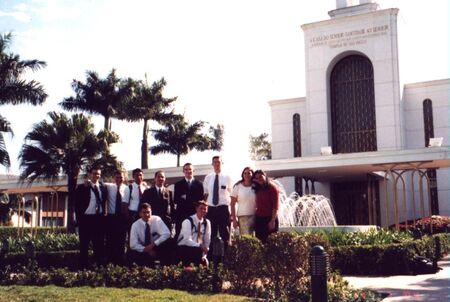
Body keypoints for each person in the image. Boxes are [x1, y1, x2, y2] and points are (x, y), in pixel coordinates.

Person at [75, 166, 107, 268]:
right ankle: (83, 268)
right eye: (94, 173)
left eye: (98, 174)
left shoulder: (103, 187)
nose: (96, 176)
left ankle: (98, 267)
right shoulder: (82, 187)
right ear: (90, 174)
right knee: (84, 245)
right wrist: (79, 220)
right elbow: (77, 205)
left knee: (99, 245)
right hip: (86, 220)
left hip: (99, 219)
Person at [203, 155, 233, 251]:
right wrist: (204, 211)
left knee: (225, 234)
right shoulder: (208, 177)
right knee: (211, 234)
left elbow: (232, 195)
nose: (216, 163)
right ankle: (211, 258)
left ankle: (227, 257)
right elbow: (205, 195)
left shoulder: (227, 177)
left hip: (223, 209)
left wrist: (232, 213)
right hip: (211, 209)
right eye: (215, 162)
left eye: (218, 162)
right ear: (212, 164)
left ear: (221, 163)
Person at [104, 170, 130, 265]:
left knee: (121, 241)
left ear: (124, 178)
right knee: (110, 241)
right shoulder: (109, 187)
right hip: (111, 218)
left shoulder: (127, 188)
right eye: (117, 177)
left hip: (122, 218)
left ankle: (120, 263)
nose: (119, 179)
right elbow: (98, 183)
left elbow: (126, 203)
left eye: (121, 177)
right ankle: (109, 263)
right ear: (114, 178)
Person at [173, 163, 204, 239]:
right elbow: (176, 200)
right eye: (186, 169)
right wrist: (191, 198)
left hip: (194, 214)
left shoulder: (199, 184)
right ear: (183, 171)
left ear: (193, 170)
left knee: (195, 235)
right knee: (181, 235)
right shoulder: (178, 185)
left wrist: (185, 197)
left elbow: (200, 200)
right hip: (181, 215)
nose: (188, 171)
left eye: (190, 169)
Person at [177, 200, 211, 266]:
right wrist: (200, 246)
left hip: (198, 249)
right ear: (196, 209)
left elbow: (207, 240)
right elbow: (187, 240)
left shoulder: (207, 222)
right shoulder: (188, 221)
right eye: (201, 208)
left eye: (205, 209)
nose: (203, 211)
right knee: (197, 254)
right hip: (184, 248)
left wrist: (205, 254)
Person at [253, 169, 279, 243]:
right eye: (257, 178)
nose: (259, 179)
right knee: (260, 242)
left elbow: (275, 206)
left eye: (261, 177)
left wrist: (272, 221)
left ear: (265, 176)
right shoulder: (257, 188)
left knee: (271, 243)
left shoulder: (272, 188)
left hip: (269, 219)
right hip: (259, 219)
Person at [230, 167, 256, 235]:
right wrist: (234, 219)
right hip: (242, 216)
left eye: (249, 173)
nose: (247, 175)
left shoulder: (255, 186)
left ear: (252, 175)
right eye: (245, 173)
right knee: (246, 238)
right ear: (242, 175)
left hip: (255, 216)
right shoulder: (238, 187)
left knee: (255, 238)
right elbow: (232, 204)